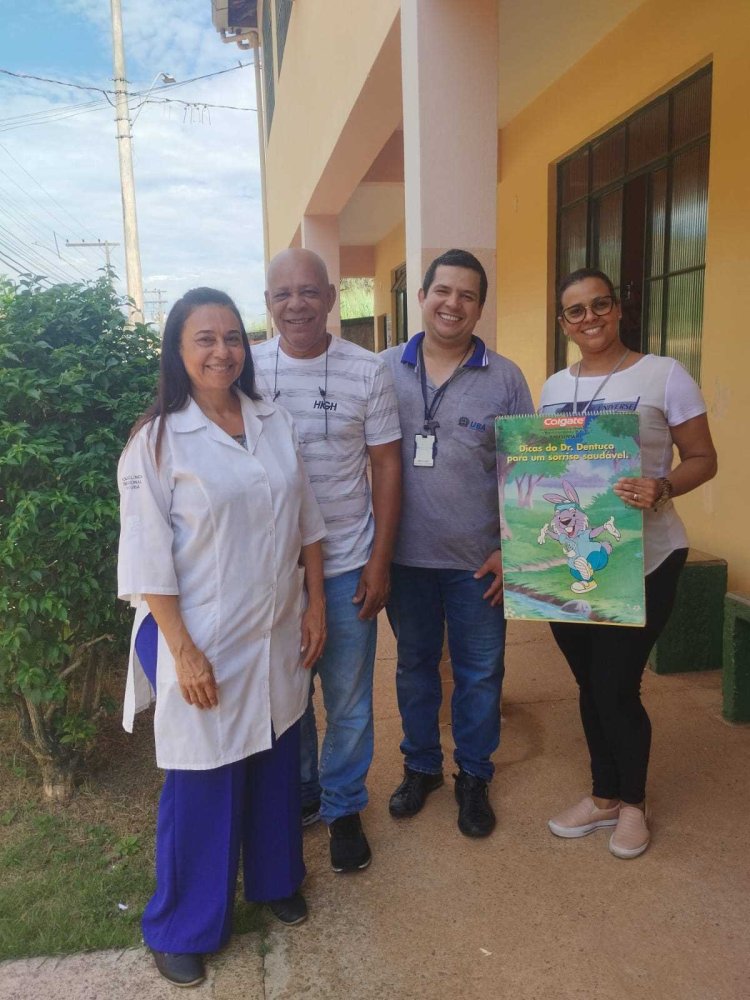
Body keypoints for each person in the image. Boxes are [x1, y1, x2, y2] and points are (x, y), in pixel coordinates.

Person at [117, 288, 326, 987]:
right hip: (196, 633)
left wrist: (316, 603)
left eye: (233, 336)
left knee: (273, 752)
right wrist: (181, 650)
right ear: (179, 351)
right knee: (203, 780)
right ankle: (180, 924)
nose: (221, 351)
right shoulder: (157, 441)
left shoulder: (272, 419)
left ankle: (274, 880)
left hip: (272, 627)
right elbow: (146, 560)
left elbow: (307, 519)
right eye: (204, 338)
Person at [540, 267, 717, 859]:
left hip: (647, 555)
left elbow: (702, 458)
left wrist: (661, 486)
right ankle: (604, 795)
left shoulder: (663, 374)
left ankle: (634, 805)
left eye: (600, 305)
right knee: (590, 683)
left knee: (617, 684)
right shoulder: (552, 388)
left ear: (618, 309)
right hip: (576, 563)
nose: (589, 318)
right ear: (563, 322)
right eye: (575, 311)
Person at [253, 249, 402, 873]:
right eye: (283, 294)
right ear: (267, 303)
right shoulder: (246, 368)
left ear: (333, 297)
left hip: (345, 563)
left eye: (309, 292)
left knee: (345, 698)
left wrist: (380, 561)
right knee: (288, 694)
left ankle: (343, 806)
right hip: (268, 572)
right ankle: (305, 793)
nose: (296, 305)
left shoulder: (366, 371)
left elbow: (387, 464)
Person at [383, 249, 534, 838]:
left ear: (479, 308)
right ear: (422, 296)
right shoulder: (383, 370)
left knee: (480, 673)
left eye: (467, 295)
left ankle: (474, 776)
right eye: (442, 291)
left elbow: (526, 475)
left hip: (479, 564)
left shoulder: (506, 378)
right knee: (415, 667)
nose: (453, 304)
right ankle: (421, 767)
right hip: (404, 559)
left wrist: (511, 548)